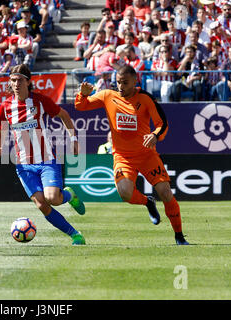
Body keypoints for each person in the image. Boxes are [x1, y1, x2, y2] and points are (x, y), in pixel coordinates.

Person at [75, 65, 189, 245]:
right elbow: (81, 106)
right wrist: (82, 94)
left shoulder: (145, 98)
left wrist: (155, 135)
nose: (120, 86)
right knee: (125, 194)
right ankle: (147, 202)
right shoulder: (107, 95)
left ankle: (179, 236)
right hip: (122, 156)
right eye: (118, 82)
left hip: (146, 155)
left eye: (125, 83)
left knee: (165, 192)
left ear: (135, 81)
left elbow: (162, 123)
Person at [0, 64, 86, 245]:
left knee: (53, 199)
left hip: (46, 160)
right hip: (24, 165)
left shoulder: (40, 101)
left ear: (28, 82)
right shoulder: (5, 106)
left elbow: (64, 116)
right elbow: (1, 131)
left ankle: (68, 196)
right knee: (42, 204)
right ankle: (75, 234)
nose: (16, 84)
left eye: (20, 80)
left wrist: (73, 140)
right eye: (13, 80)